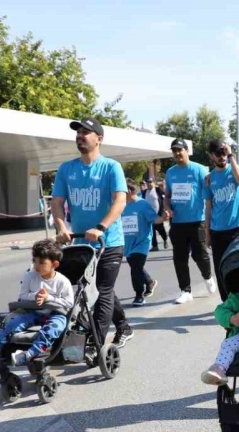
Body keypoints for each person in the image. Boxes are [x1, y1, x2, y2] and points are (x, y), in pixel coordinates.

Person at [51, 117, 134, 348]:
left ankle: (94, 344)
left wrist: (100, 227)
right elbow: (57, 202)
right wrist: (62, 227)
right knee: (94, 288)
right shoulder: (67, 169)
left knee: (102, 291)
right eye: (78, 133)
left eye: (85, 132)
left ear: (99, 139)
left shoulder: (111, 167)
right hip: (81, 244)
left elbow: (120, 201)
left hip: (109, 241)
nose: (80, 136)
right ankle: (124, 326)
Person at [0, 239, 75, 369]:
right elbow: (22, 297)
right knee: (11, 324)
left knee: (53, 329)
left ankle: (29, 354)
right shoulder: (30, 276)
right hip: (33, 312)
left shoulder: (62, 281)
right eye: (34, 261)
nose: (36, 265)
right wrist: (36, 296)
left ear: (54, 264)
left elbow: (69, 302)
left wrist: (48, 298)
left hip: (56, 314)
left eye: (41, 262)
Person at [164, 138, 217, 304]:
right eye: (174, 151)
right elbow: (167, 196)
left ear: (187, 151)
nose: (177, 153)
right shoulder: (170, 172)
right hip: (177, 222)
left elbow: (209, 194)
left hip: (197, 220)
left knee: (200, 255)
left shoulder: (199, 169)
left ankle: (208, 277)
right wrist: (167, 208)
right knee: (179, 258)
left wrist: (210, 219)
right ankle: (185, 291)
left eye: (180, 150)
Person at [204, 139, 239, 300]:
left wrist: (231, 156)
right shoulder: (209, 179)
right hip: (218, 231)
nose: (222, 157)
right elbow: (208, 207)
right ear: (211, 156)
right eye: (218, 154)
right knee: (221, 269)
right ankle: (227, 303)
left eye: (224, 153)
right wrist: (207, 233)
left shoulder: (237, 168)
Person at [121, 179, 159, 306]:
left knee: (135, 268)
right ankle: (150, 282)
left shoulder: (143, 204)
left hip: (142, 242)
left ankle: (139, 295)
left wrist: (164, 217)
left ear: (130, 191)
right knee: (136, 267)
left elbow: (154, 219)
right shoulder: (121, 205)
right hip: (128, 243)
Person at [151, 176, 169, 251]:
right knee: (152, 230)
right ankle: (155, 246)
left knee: (160, 229)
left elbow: (164, 196)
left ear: (153, 183)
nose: (149, 184)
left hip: (158, 214)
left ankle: (165, 239)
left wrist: (165, 210)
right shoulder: (145, 191)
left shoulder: (157, 190)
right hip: (150, 215)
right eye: (148, 183)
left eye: (150, 182)